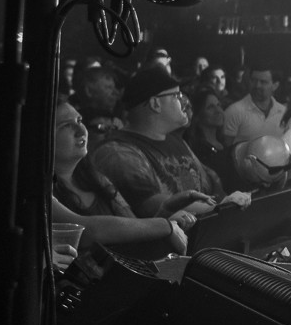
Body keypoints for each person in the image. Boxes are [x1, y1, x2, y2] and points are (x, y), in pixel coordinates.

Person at [88, 66, 252, 219]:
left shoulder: (175, 140)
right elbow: (151, 206)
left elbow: (212, 184)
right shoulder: (117, 151)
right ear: (155, 104)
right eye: (177, 96)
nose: (185, 101)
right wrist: (218, 209)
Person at [52, 101, 192, 255]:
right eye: (66, 125)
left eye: (79, 121)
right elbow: (87, 231)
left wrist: (167, 211)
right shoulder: (41, 192)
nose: (80, 130)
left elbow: (132, 228)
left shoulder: (96, 178)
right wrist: (165, 226)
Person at [222, 64, 286, 145]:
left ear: (275, 86)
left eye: (263, 82)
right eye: (253, 80)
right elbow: (226, 149)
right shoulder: (234, 111)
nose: (257, 85)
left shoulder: (284, 113)